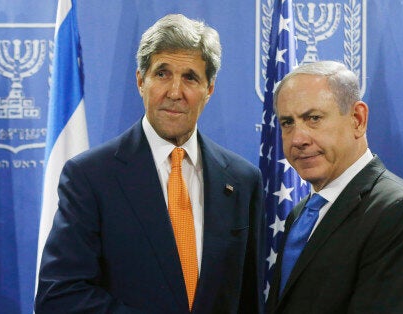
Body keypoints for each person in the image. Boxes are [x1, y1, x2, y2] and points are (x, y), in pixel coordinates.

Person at [35, 14, 265, 313]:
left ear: (209, 89)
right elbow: (59, 295)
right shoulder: (91, 176)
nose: (174, 92)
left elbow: (249, 300)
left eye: (190, 78)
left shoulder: (242, 180)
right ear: (140, 81)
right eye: (162, 74)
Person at [266, 61, 403, 313]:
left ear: (358, 119)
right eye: (287, 123)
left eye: (314, 118)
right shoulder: (300, 215)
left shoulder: (401, 213)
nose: (298, 139)